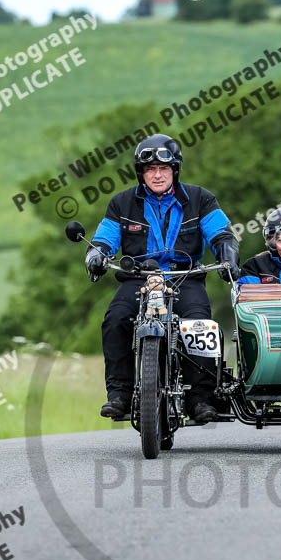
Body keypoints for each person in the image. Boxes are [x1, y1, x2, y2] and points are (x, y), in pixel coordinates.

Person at [85, 133, 240, 423]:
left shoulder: (201, 199)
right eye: (150, 169)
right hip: (138, 279)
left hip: (186, 277)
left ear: (175, 170)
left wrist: (227, 256)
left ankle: (200, 398)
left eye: (163, 169)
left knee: (199, 324)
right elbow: (104, 239)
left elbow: (222, 234)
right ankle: (119, 394)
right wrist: (96, 255)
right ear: (141, 173)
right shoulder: (121, 203)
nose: (157, 175)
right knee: (115, 319)